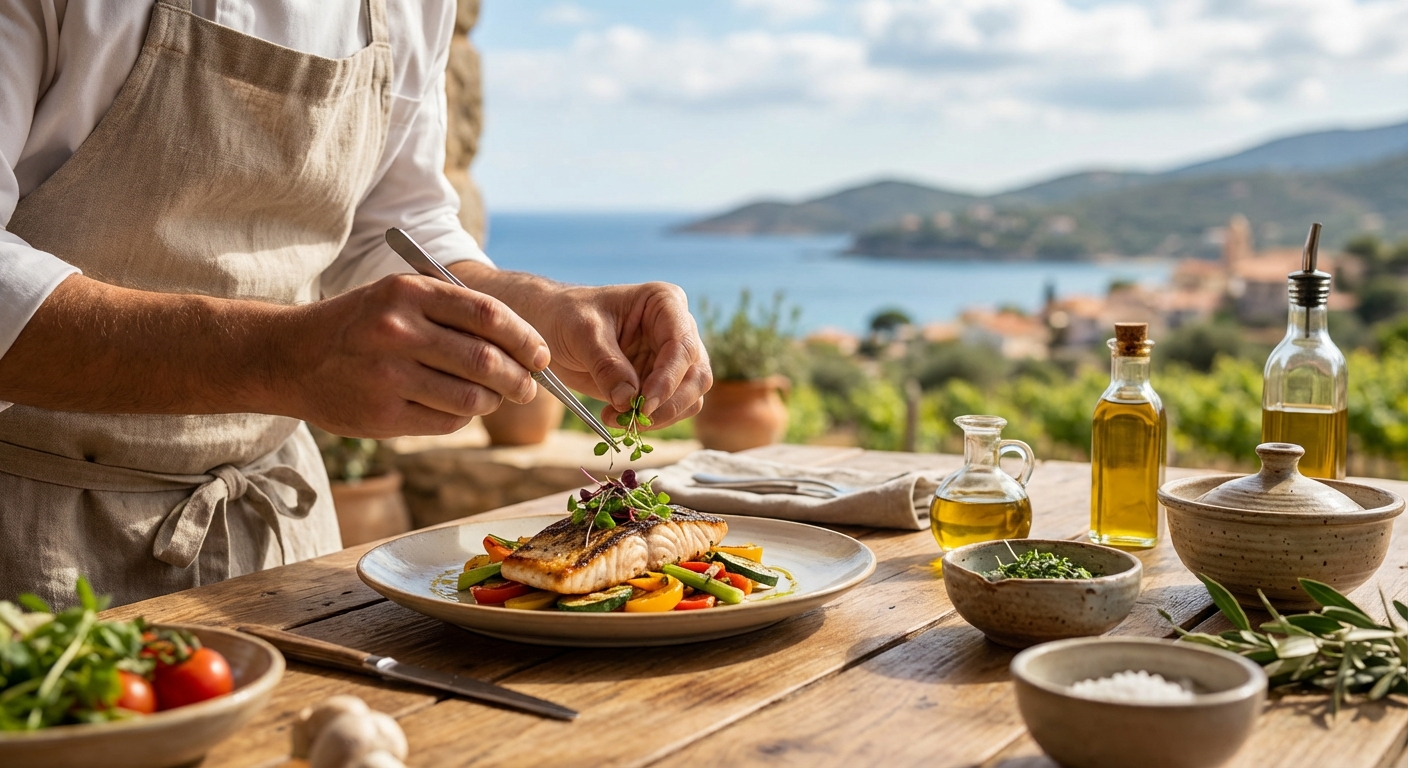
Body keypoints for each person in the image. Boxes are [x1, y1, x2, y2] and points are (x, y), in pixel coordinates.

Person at [0, 0, 712, 607]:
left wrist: (545, 309)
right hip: (31, 540)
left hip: (279, 544)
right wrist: (280, 360)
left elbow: (391, 228)